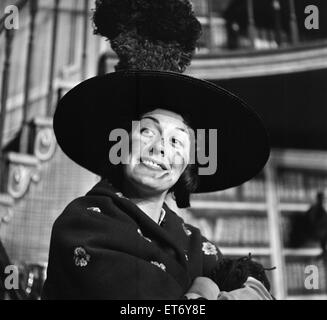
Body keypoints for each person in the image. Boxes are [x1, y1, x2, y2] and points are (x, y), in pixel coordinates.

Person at [41, 0, 272, 300]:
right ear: (120, 145)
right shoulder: (84, 225)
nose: (160, 147)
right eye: (148, 131)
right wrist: (207, 287)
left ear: (187, 164)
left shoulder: (193, 241)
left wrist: (211, 290)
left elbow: (253, 280)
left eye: (176, 141)